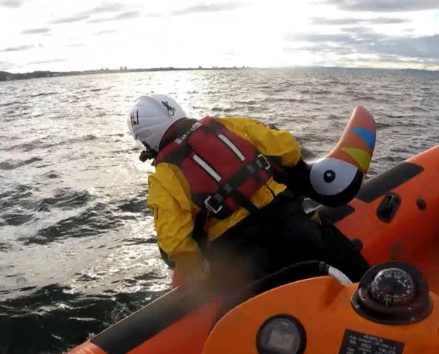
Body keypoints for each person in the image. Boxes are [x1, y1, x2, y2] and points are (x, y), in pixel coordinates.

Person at [126, 94, 370, 289]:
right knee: (350, 269)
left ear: (147, 140)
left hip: (246, 258)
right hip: (293, 223)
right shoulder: (228, 125)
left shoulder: (164, 176)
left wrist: (201, 274)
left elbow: (175, 243)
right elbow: (289, 149)